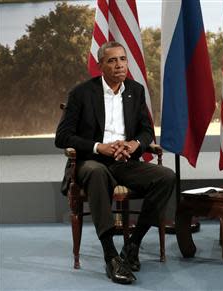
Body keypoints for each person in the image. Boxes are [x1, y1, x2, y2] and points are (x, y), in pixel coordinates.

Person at [55, 41, 175, 285]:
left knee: (166, 177)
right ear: (100, 65)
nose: (119, 65)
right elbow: (63, 137)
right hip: (92, 161)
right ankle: (111, 255)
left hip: (125, 161)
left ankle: (132, 245)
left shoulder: (135, 90)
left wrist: (133, 145)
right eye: (112, 60)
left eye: (122, 59)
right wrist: (100, 147)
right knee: (97, 173)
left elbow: (146, 131)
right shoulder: (81, 93)